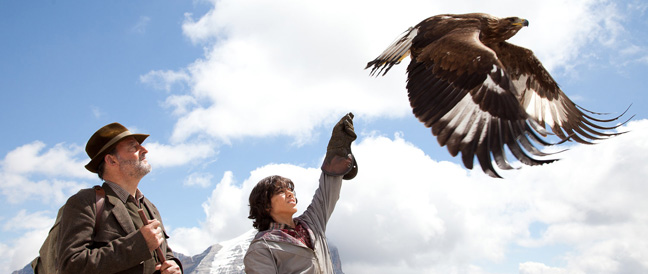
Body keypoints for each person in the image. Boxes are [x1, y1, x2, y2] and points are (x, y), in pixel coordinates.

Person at [56, 122, 182, 274]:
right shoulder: (85, 202)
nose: (145, 150)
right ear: (111, 160)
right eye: (133, 147)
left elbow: (165, 253)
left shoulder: (150, 206)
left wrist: (174, 266)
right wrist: (138, 244)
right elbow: (72, 265)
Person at [244, 113, 358, 273]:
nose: (290, 193)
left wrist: (336, 153)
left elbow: (326, 192)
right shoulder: (262, 248)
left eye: (290, 189)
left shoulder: (311, 224)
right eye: (280, 191)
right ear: (265, 205)